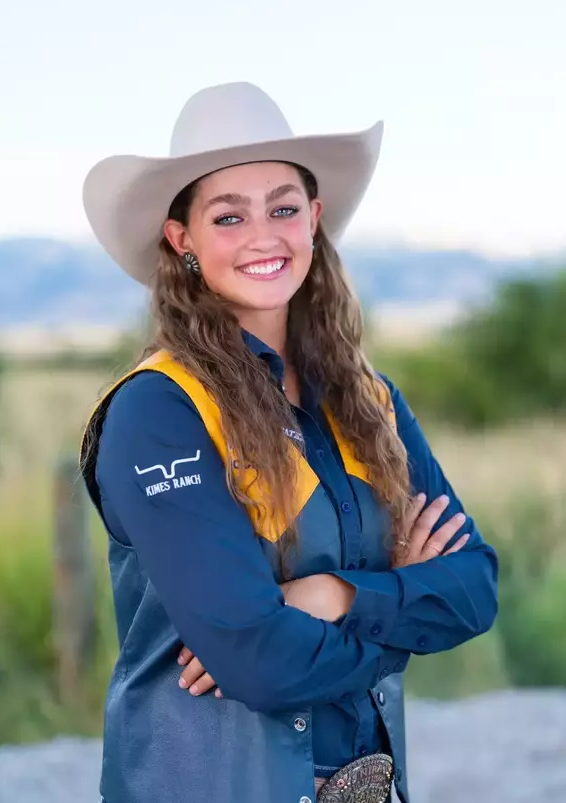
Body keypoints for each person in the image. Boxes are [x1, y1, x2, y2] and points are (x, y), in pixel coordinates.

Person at [79, 81, 498, 803]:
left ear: (314, 219)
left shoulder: (369, 400)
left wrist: (329, 594)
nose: (262, 236)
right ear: (182, 238)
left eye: (282, 208)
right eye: (228, 216)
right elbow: (259, 663)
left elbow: (473, 588)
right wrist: (399, 610)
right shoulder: (160, 409)